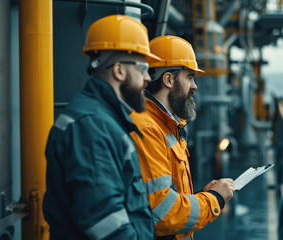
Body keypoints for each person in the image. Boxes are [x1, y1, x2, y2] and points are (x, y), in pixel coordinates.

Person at [43, 15, 160, 240]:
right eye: (143, 68)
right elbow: (105, 223)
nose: (147, 78)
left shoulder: (104, 119)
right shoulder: (93, 127)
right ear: (118, 70)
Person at [130, 35, 235, 240]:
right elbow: (161, 214)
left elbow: (165, 195)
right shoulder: (148, 128)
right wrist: (214, 200)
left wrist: (200, 195)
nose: (195, 86)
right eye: (189, 77)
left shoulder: (167, 125)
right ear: (168, 79)